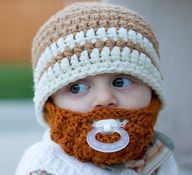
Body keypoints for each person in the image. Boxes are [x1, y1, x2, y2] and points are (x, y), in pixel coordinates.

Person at [16, 1, 178, 175]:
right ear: (50, 102)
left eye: (121, 82)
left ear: (153, 90)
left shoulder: (159, 156)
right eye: (77, 88)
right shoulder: (43, 167)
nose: (104, 98)